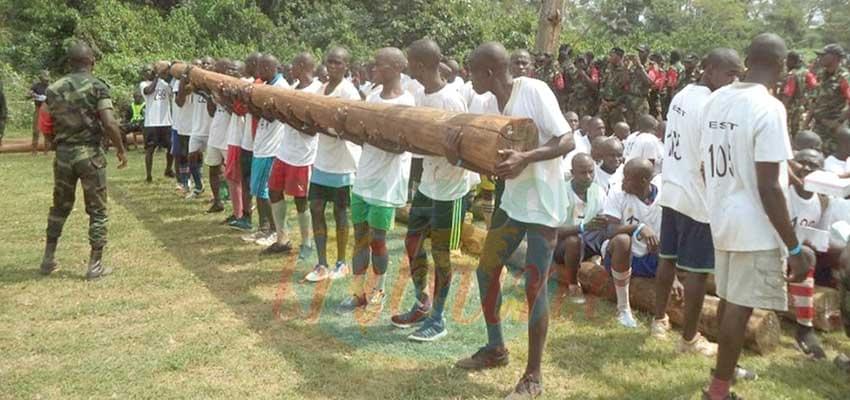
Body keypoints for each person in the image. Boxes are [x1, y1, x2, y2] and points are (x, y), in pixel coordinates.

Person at [452, 42, 574, 400]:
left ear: (489, 72)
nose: (468, 76)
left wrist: (526, 158)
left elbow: (566, 140)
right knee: (486, 271)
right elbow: (495, 157)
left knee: (534, 286)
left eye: (472, 70)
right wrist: (459, 158)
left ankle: (533, 376)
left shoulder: (533, 90)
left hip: (541, 204)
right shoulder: (490, 103)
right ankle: (496, 348)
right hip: (511, 200)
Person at [699, 33, 816, 400]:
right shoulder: (769, 107)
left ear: (748, 60)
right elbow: (768, 187)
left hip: (722, 217)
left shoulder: (717, 99)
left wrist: (786, 169)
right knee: (739, 306)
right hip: (754, 224)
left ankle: (725, 373)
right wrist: (793, 247)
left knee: (729, 300)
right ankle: (718, 390)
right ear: (781, 67)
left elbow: (719, 162)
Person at [652, 49, 742, 358]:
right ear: (710, 69)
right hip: (697, 198)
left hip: (673, 189)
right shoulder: (713, 104)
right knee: (697, 273)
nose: (735, 80)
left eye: (739, 74)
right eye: (730, 73)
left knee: (668, 259)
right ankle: (689, 338)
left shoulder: (681, 94)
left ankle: (658, 320)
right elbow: (710, 161)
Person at [390, 38, 475, 342]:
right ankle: (421, 302)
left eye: (410, 63)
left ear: (422, 65)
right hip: (428, 184)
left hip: (450, 191)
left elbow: (464, 149)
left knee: (441, 256)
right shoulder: (420, 94)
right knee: (412, 244)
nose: (407, 68)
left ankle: (438, 319)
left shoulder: (451, 100)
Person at [38, 42, 128, 280]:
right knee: (97, 210)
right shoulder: (98, 87)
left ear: (70, 63)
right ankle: (95, 265)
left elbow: (44, 118)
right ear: (92, 62)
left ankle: (48, 259)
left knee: (60, 206)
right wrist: (120, 148)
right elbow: (109, 122)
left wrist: (52, 140)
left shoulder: (54, 88)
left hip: (64, 155)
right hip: (90, 155)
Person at [336, 47, 414, 315]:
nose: (373, 69)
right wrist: (346, 129)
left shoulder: (407, 103)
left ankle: (377, 289)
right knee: (360, 237)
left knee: (377, 239)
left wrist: (371, 136)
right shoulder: (371, 95)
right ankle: (358, 293)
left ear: (395, 68)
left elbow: (401, 146)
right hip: (364, 177)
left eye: (378, 65)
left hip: (386, 183)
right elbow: (364, 138)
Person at [304, 47, 362, 280]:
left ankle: (341, 262)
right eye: (329, 62)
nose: (333, 66)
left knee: (340, 212)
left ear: (347, 66)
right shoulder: (320, 88)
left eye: (338, 63)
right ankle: (321, 263)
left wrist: (327, 126)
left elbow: (352, 127)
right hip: (322, 160)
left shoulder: (350, 92)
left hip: (343, 162)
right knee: (316, 208)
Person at [262, 53, 322, 258]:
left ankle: (306, 242)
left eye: (293, 65)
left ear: (303, 65)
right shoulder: (293, 88)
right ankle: (283, 239)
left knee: (300, 200)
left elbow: (312, 129)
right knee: (274, 191)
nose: (289, 68)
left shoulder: (316, 90)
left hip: (303, 155)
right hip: (284, 150)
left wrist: (287, 117)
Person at [600, 158, 662, 328]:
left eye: (628, 178)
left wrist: (675, 277)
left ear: (644, 181)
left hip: (651, 257)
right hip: (620, 256)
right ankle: (623, 308)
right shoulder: (617, 193)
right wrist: (638, 227)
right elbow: (609, 230)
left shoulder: (663, 198)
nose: (623, 181)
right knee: (622, 240)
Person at [787, 149, 831, 359]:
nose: (805, 168)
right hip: (773, 251)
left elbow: (821, 241)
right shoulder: (783, 190)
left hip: (800, 260)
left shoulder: (823, 200)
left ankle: (804, 328)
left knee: (808, 254)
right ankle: (805, 327)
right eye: (801, 162)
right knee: (804, 254)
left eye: (813, 166)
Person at [242, 54, 288, 246]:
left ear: (271, 67)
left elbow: (271, 116)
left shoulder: (281, 87)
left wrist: (249, 102)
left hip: (271, 147)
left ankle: (274, 231)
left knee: (265, 191)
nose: (258, 71)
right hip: (261, 145)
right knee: (258, 190)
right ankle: (264, 228)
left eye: (262, 67)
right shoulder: (266, 85)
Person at [552, 153, 607, 303]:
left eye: (591, 171)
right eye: (583, 172)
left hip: (589, 238)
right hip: (562, 244)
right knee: (573, 241)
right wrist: (583, 227)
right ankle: (573, 285)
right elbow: (553, 231)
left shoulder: (598, 191)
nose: (588, 176)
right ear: (572, 173)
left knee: (612, 232)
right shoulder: (560, 192)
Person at [204, 58, 235, 214]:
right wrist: (211, 96)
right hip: (215, 132)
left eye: (219, 69)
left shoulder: (234, 86)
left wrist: (221, 98)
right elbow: (211, 111)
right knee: (213, 168)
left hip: (229, 135)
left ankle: (239, 207)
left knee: (232, 173)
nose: (215, 71)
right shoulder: (215, 85)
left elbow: (235, 111)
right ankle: (217, 201)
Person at [808, 44, 850, 153]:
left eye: (823, 55)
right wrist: (806, 122)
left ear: (835, 57)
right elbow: (815, 101)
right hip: (818, 126)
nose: (820, 58)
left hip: (832, 130)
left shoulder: (843, 77)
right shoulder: (822, 75)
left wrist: (838, 122)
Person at [185, 57, 216, 199]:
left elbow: (213, 107)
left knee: (215, 165)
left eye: (208, 63)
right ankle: (198, 186)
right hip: (197, 128)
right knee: (191, 158)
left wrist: (200, 91)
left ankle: (222, 193)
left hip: (212, 130)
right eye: (203, 63)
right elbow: (181, 97)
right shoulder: (195, 83)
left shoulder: (215, 82)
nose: (205, 65)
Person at [141, 61, 175, 183]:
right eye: (146, 71)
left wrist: (167, 74)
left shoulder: (164, 84)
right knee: (150, 149)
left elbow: (172, 92)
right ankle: (148, 175)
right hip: (151, 122)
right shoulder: (144, 84)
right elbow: (149, 91)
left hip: (166, 122)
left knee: (171, 148)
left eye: (150, 70)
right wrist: (157, 77)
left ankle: (168, 169)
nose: (148, 73)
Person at [780, 51, 818, 137]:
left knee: (787, 132)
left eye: (788, 60)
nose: (786, 62)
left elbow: (787, 94)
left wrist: (782, 108)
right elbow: (815, 86)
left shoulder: (792, 75)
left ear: (792, 61)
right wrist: (806, 97)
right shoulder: (807, 73)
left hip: (790, 108)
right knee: (798, 131)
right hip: (801, 107)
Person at [599, 47, 628, 130]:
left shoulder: (624, 70)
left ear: (618, 57)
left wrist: (614, 103)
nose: (610, 57)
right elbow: (602, 85)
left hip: (617, 106)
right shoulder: (608, 68)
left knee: (617, 129)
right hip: (605, 104)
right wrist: (603, 100)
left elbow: (626, 90)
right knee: (602, 127)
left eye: (612, 55)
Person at [624, 47, 652, 129]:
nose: (639, 54)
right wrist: (625, 67)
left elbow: (649, 82)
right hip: (630, 99)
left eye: (642, 52)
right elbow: (625, 81)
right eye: (638, 52)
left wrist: (640, 67)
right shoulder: (632, 66)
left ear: (647, 53)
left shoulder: (652, 66)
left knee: (641, 126)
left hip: (641, 100)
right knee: (629, 125)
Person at [30, 70, 50, 155]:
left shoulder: (50, 87)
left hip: (47, 109)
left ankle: (46, 151)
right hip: (38, 108)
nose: (46, 81)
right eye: (44, 79)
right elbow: (28, 94)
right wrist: (33, 94)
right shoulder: (36, 86)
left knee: (47, 130)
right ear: (41, 78)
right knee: (36, 130)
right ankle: (34, 150)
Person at [0, 77, 7, 147]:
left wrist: (3, 116)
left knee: (1, 126)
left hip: (1, 114)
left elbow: (3, 107)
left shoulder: (1, 95)